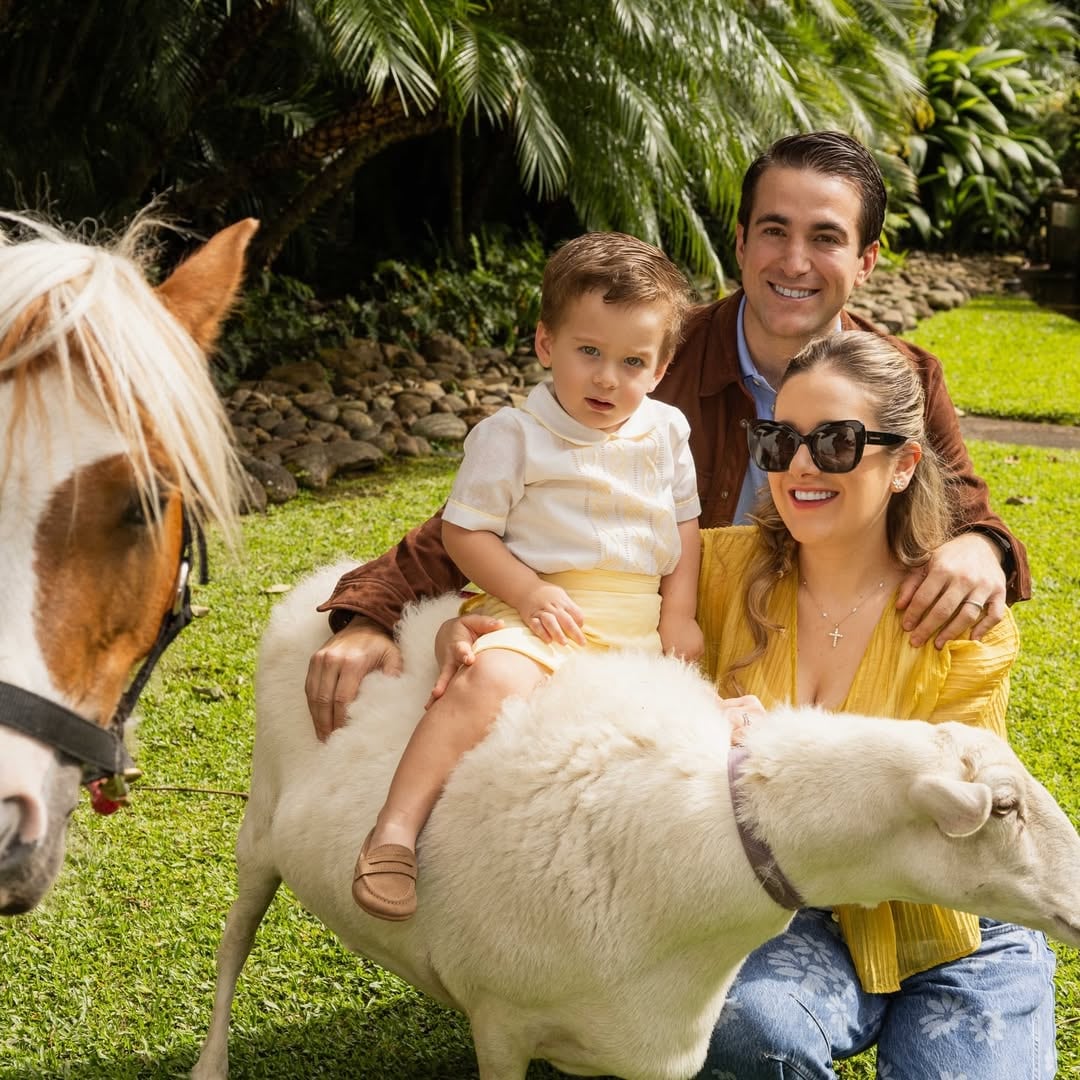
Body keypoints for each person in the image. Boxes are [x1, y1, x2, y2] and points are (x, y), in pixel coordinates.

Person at [437, 331, 1054, 1079]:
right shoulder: (710, 574)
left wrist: (983, 542)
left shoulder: (959, 615)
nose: (799, 466)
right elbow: (519, 526)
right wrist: (470, 621)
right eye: (779, 439)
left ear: (904, 464)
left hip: (955, 920)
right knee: (745, 1030)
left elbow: (955, 814)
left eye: (835, 442)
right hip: (792, 911)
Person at [304, 130, 1030, 741]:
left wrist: (981, 544)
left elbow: (960, 503)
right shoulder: (651, 365)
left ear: (867, 262)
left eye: (827, 238)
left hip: (831, 674)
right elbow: (505, 502)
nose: (794, 261)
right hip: (673, 666)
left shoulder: (904, 374)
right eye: (774, 230)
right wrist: (370, 612)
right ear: (741, 242)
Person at [351, 232, 703, 920]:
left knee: (682, 740)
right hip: (541, 609)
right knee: (489, 680)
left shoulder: (666, 431)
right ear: (547, 345)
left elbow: (683, 528)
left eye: (633, 362)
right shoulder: (512, 435)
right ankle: (394, 829)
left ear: (660, 369)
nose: (608, 378)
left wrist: (679, 616)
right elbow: (465, 531)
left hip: (636, 624)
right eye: (589, 353)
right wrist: (527, 591)